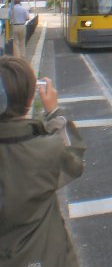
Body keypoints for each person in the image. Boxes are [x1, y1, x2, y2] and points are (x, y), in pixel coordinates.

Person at [0, 56, 86, 266]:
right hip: (43, 256)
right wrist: (54, 113)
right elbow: (74, 159)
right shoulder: (46, 148)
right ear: (30, 99)